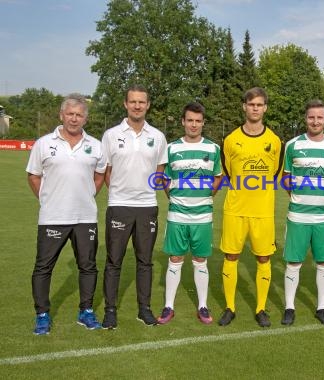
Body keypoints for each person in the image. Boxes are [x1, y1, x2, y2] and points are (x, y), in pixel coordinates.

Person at [26, 94, 107, 335]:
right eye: (70, 114)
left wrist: (89, 193)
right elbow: (33, 175)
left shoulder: (95, 145)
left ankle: (86, 311)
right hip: (53, 217)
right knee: (43, 267)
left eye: (79, 114)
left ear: (85, 118)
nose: (74, 118)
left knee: (88, 267)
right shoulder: (43, 143)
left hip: (85, 218)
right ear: (61, 115)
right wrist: (47, 198)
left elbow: (101, 174)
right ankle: (42, 314)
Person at [101, 84, 168, 328]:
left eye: (142, 102)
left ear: (147, 105)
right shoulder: (111, 135)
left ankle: (144, 309)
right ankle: (110, 310)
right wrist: (120, 193)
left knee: (145, 261)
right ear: (125, 104)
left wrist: (143, 192)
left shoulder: (158, 136)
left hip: (147, 206)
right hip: (119, 206)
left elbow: (160, 171)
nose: (137, 106)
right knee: (114, 261)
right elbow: (106, 170)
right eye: (133, 102)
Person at [218, 87, 283, 327]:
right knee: (231, 256)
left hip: (262, 211)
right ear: (244, 107)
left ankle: (261, 308)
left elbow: (275, 172)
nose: (255, 108)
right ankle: (230, 307)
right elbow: (227, 172)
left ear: (265, 108)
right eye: (251, 104)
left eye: (259, 104)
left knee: (264, 258)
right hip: (235, 209)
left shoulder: (274, 141)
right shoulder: (230, 139)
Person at [156, 102, 222, 325]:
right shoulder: (172, 148)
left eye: (198, 121)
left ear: (203, 123)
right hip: (177, 214)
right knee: (175, 259)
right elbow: (163, 177)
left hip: (203, 215)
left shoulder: (213, 149)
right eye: (190, 120)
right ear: (183, 121)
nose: (194, 125)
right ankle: (168, 307)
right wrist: (174, 197)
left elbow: (218, 177)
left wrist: (206, 196)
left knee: (200, 260)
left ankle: (202, 306)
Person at [280, 100, 324, 326]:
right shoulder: (293, 145)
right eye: (311, 117)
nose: (315, 121)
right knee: (293, 263)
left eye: (319, 117)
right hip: (298, 215)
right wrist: (298, 195)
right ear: (305, 119)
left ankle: (321, 308)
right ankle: (289, 307)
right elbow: (286, 177)